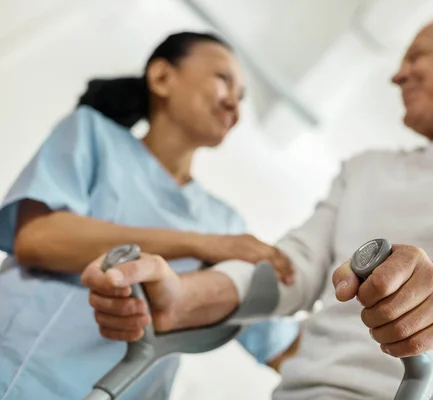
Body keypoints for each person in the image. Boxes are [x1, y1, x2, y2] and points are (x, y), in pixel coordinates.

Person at [84, 10, 433, 400]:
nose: (398, 77)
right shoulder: (365, 168)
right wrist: (183, 298)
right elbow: (294, 265)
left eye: (417, 57)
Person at [0, 32, 301, 400]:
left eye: (242, 97)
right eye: (224, 79)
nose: (234, 105)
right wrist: (200, 243)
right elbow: (37, 240)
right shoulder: (92, 134)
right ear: (161, 78)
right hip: (17, 370)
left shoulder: (226, 224)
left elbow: (282, 346)